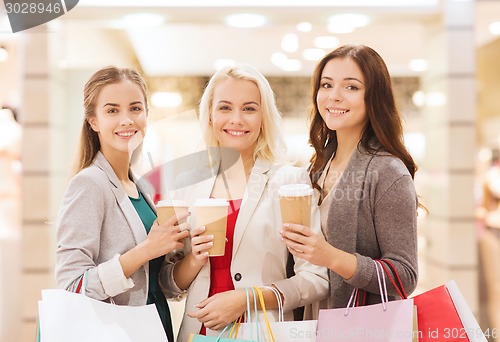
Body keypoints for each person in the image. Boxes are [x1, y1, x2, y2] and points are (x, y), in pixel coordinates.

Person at [162, 64, 329, 341]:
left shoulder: (289, 182)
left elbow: (316, 279)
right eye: (225, 108)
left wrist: (247, 299)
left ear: (264, 117)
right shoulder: (188, 185)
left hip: (264, 332)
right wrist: (193, 259)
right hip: (198, 334)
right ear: (210, 116)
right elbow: (168, 285)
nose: (236, 119)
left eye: (249, 109)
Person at [55, 66, 190, 341]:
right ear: (93, 121)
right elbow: (72, 286)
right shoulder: (90, 184)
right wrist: (146, 250)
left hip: (153, 323)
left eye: (135, 109)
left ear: (147, 115)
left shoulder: (139, 186)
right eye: (112, 110)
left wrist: (191, 253)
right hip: (115, 330)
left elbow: (155, 282)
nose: (127, 120)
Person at [281, 45, 420, 308]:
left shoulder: (387, 172)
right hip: (310, 323)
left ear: (374, 97)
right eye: (326, 85)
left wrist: (332, 257)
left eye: (351, 87)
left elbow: (405, 277)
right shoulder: (318, 167)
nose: (334, 96)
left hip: (359, 327)